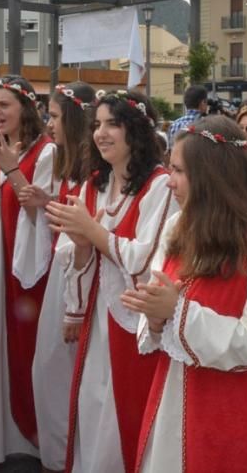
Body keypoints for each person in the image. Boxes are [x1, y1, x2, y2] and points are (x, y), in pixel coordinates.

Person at [122, 116, 247, 472]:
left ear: (213, 174)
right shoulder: (178, 226)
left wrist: (177, 312)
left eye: (179, 171)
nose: (169, 182)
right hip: (175, 402)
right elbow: (160, 313)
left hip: (236, 411)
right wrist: (154, 317)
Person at [46, 90, 177, 472]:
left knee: (125, 413)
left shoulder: (160, 185)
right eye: (97, 125)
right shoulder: (95, 184)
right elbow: (76, 252)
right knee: (92, 403)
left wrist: (91, 230)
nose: (101, 133)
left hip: (135, 325)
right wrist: (74, 307)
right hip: (97, 317)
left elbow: (147, 260)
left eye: (112, 124)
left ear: (135, 130)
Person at [13, 82, 96, 473]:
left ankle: (73, 458)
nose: (49, 124)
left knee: (73, 372)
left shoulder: (95, 166)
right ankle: (58, 455)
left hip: (86, 275)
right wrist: (41, 202)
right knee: (47, 367)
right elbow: (41, 219)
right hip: (62, 275)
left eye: (56, 116)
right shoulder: (57, 159)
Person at [0, 74, 55, 464]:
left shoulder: (47, 152)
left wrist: (11, 169)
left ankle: (27, 440)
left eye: (3, 104)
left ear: (25, 107)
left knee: (22, 350)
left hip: (27, 273)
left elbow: (43, 209)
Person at [167, 85, 208, 150]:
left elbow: (170, 151)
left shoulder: (174, 125)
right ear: (203, 102)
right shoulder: (207, 124)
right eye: (206, 102)